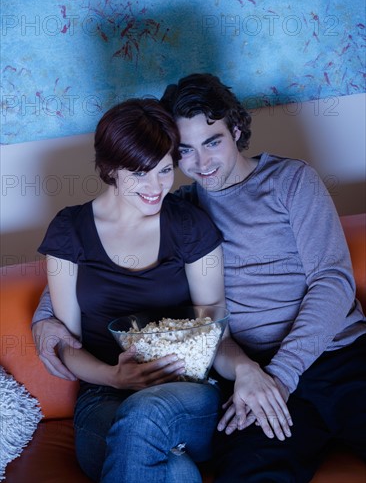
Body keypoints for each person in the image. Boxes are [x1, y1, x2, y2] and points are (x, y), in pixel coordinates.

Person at [32, 74, 366, 481]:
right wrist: (46, 318)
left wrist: (279, 375)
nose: (202, 164)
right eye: (185, 151)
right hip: (249, 371)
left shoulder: (291, 182)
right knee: (242, 473)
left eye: (213, 142)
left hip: (334, 358)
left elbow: (332, 282)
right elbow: (95, 261)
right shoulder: (183, 209)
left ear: (237, 130)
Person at [32, 97, 255, 483]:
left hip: (189, 391)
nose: (156, 187)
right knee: (176, 472)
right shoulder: (70, 230)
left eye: (165, 170)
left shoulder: (189, 226)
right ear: (110, 169)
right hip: (104, 396)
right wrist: (113, 377)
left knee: (146, 415)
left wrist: (246, 368)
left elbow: (214, 324)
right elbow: (69, 344)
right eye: (139, 174)